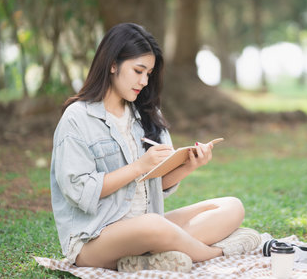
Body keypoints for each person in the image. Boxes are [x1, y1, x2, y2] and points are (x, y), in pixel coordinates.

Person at [50, 23, 261, 273]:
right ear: (113, 64)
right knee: (154, 226)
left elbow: (154, 184)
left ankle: (146, 260)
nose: (143, 80)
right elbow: (79, 190)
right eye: (138, 70)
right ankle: (216, 252)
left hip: (147, 226)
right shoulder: (77, 118)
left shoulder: (147, 114)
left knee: (231, 206)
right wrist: (138, 167)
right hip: (95, 238)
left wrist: (188, 165)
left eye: (148, 73)